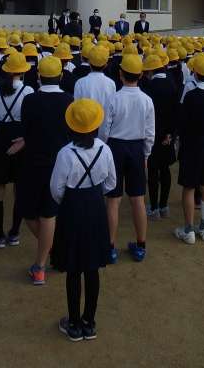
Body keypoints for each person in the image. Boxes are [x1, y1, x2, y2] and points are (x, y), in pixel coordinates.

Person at [50, 99, 116, 341]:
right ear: (96, 126)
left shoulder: (65, 153)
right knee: (92, 267)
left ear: (71, 126)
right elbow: (111, 183)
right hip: (96, 207)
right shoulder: (105, 150)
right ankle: (89, 321)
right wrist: (94, 193)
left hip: (72, 209)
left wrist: (71, 200)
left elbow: (56, 189)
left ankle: (74, 323)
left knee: (73, 268)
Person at [17, 55, 72, 285]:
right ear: (61, 76)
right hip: (60, 163)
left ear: (39, 76)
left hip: (32, 162)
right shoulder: (69, 100)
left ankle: (40, 264)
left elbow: (25, 130)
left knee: (28, 212)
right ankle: (50, 253)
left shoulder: (30, 100)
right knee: (48, 213)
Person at [106, 53, 155, 263]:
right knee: (138, 199)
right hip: (136, 148)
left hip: (115, 147)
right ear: (141, 75)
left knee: (113, 199)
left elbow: (104, 130)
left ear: (120, 74)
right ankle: (141, 245)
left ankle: (110, 247)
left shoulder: (113, 98)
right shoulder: (147, 100)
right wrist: (146, 154)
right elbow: (150, 132)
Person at [174, 54, 204, 245]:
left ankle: (188, 230)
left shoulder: (191, 95)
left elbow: (182, 121)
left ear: (195, 73)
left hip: (192, 143)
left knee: (189, 186)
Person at [0, 52, 34, 248]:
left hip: (1, 136)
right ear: (22, 72)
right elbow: (31, 118)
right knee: (19, 187)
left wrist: (0, 134)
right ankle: (14, 232)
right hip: (20, 137)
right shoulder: (28, 90)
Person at [142, 54, 178, 219]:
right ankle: (164, 206)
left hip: (152, 133)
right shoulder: (171, 83)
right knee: (165, 169)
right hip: (167, 136)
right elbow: (176, 111)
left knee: (153, 171)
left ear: (150, 71)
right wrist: (171, 134)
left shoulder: (150, 86)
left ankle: (154, 207)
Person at [74, 46, 116, 142]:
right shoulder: (111, 84)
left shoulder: (80, 83)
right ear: (105, 65)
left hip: (84, 131)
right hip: (104, 130)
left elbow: (76, 108)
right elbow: (111, 109)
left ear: (89, 62)